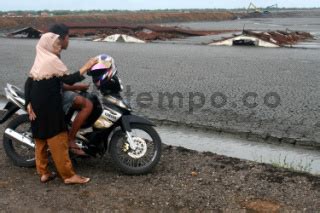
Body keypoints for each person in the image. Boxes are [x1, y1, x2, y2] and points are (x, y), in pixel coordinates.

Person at [25, 32, 97, 184]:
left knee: (41, 140)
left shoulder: (40, 59)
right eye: (55, 43)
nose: (57, 45)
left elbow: (29, 83)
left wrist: (28, 103)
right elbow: (69, 79)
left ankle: (44, 173)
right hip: (49, 105)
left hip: (36, 103)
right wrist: (87, 66)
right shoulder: (52, 60)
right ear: (47, 45)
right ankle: (69, 176)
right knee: (58, 139)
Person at [47, 24, 93, 156]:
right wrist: (86, 66)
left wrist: (78, 87)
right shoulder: (53, 57)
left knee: (79, 96)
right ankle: (71, 139)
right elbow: (67, 80)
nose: (69, 40)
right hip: (52, 96)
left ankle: (68, 128)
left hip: (54, 90)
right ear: (61, 39)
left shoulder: (52, 53)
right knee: (87, 105)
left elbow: (59, 82)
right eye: (68, 37)